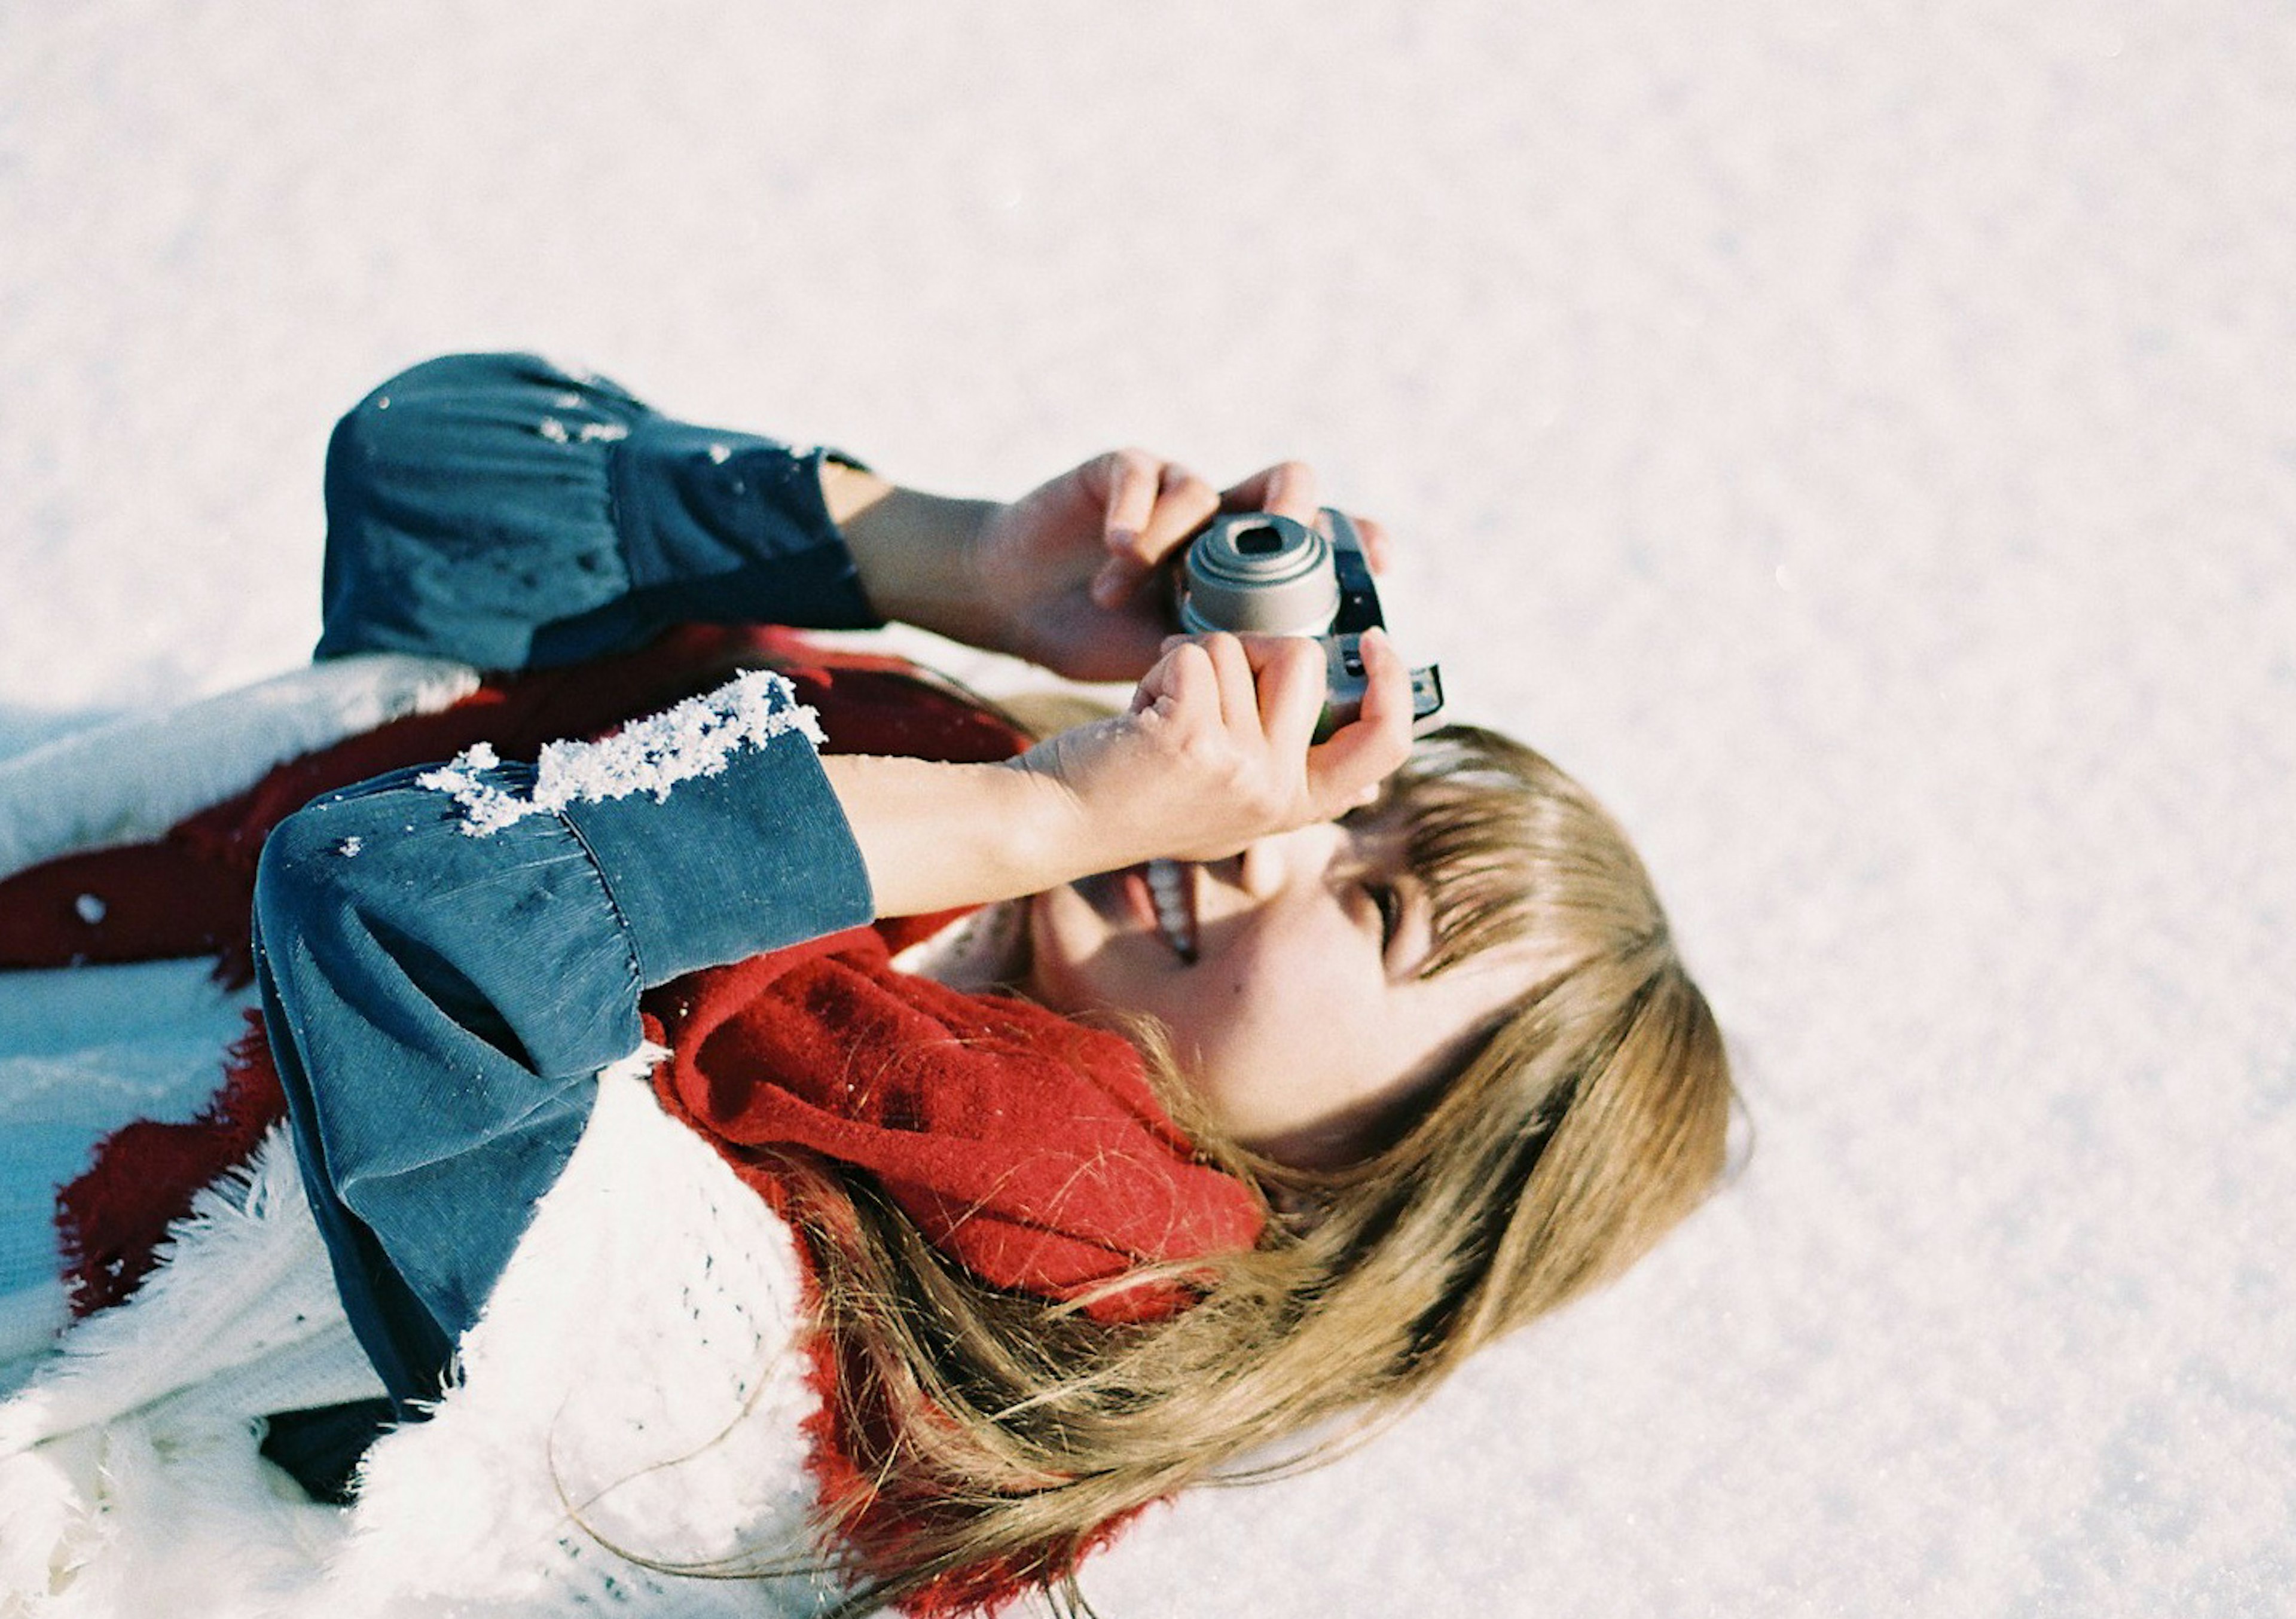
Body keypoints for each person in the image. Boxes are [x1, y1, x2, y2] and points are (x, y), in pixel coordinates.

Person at [8, 354, 1735, 1618]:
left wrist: (1032, 811)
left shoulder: (864, 1369)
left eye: (1377, 906)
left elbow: (403, 915)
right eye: (1342, 796)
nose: (1266, 835)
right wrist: (949, 558)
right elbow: (428, 477)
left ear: (1397, 1176)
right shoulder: (921, 825)